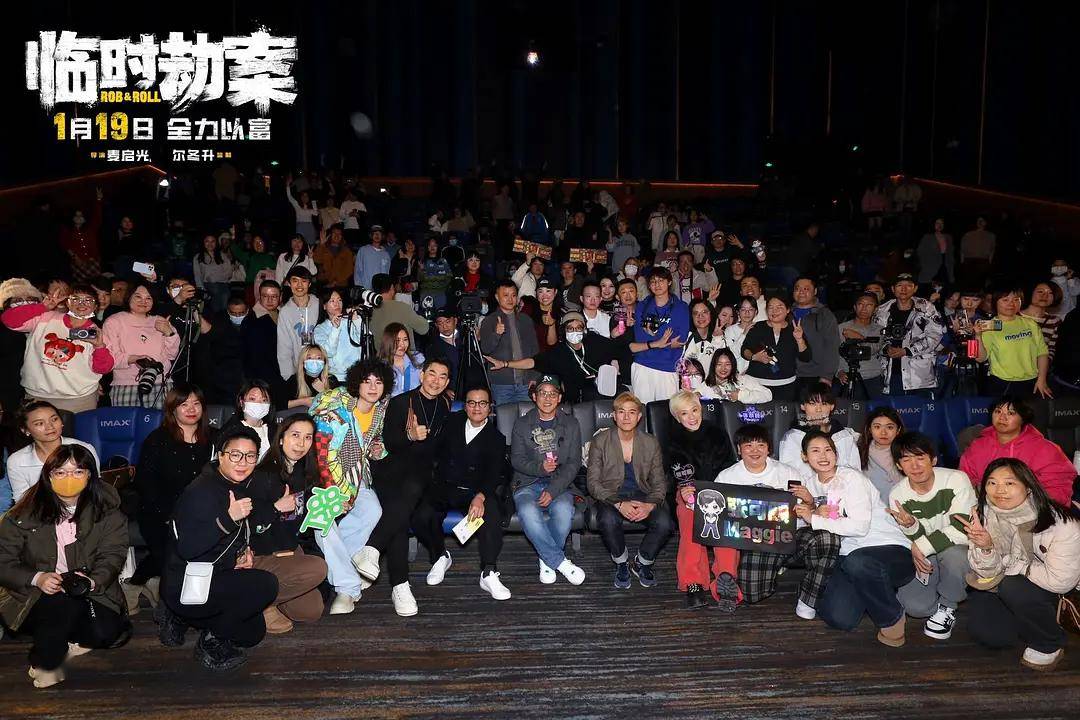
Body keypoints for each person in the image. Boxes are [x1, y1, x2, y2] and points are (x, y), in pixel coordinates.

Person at [0, 445, 130, 689]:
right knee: (60, 607)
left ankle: (62, 642)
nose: (69, 478)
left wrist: (93, 580)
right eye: (60, 472)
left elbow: (113, 554)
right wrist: (37, 578)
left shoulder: (107, 510)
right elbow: (3, 560)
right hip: (33, 590)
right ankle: (46, 661)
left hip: (88, 586)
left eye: (78, 471)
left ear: (90, 474)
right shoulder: (23, 513)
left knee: (108, 632)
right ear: (48, 475)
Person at [160, 426, 278, 670]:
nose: (242, 462)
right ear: (220, 456)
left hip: (215, 575)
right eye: (235, 454)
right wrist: (228, 519)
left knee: (252, 634)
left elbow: (233, 536)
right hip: (186, 583)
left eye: (250, 456)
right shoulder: (201, 492)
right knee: (266, 585)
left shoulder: (236, 484)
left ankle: (182, 618)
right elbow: (189, 549)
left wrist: (243, 553)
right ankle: (209, 641)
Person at [351, 358, 453, 617]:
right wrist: (410, 435)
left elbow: (440, 449)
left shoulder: (444, 405)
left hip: (422, 476)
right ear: (421, 375)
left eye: (442, 376)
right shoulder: (400, 402)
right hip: (392, 470)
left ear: (447, 382)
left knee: (403, 502)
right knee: (401, 503)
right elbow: (390, 442)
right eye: (431, 373)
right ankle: (400, 585)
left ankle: (374, 553)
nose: (436, 380)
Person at [961, 458, 1080, 671]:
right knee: (992, 636)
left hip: (1051, 588)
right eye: (992, 482)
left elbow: (1061, 581)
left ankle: (1049, 642)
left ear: (1028, 487)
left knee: (1013, 586)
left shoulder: (1061, 524)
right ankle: (1029, 618)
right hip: (1002, 581)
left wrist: (1013, 564)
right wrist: (986, 547)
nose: (1000, 490)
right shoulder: (983, 515)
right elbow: (985, 572)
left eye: (1009, 483)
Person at [810, 432, 921, 647]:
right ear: (805, 457)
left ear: (836, 454)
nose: (823, 456)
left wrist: (814, 518)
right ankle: (876, 588)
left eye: (828, 450)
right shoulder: (809, 486)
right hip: (849, 556)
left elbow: (859, 528)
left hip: (889, 548)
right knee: (838, 618)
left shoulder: (852, 478)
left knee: (859, 562)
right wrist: (810, 510)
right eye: (815, 450)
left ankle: (892, 618)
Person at [309, 358, 392, 615]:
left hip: (358, 477)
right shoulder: (335, 408)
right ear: (356, 383)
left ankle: (342, 564)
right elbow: (321, 453)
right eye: (367, 381)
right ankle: (347, 588)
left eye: (378, 382)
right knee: (323, 523)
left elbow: (375, 442)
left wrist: (379, 450)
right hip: (324, 477)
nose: (373, 387)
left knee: (373, 511)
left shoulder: (381, 409)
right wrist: (334, 490)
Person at [717, 426, 825, 618]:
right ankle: (772, 571)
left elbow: (810, 513)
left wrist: (809, 501)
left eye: (761, 445)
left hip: (790, 536)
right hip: (755, 543)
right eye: (748, 445)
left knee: (826, 538)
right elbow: (716, 513)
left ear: (769, 448)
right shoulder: (726, 477)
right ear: (739, 449)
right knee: (751, 594)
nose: (755, 450)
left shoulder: (788, 473)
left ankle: (809, 595)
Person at [412, 386, 510, 599]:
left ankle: (489, 571)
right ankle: (440, 556)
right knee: (420, 515)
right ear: (465, 406)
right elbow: (432, 451)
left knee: (492, 515)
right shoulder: (451, 422)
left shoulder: (496, 438)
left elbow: (495, 474)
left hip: (475, 491)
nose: (477, 408)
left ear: (490, 408)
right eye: (472, 403)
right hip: (445, 485)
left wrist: (481, 496)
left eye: (482, 403)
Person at [127, 384, 212, 619]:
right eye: (184, 404)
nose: (191, 409)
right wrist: (168, 514)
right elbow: (146, 484)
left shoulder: (213, 438)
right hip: (160, 510)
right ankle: (138, 583)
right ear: (172, 409)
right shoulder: (157, 440)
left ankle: (153, 582)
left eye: (196, 403)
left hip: (202, 512)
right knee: (172, 550)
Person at [886, 432, 976, 641]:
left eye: (920, 458)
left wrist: (921, 546)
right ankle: (949, 588)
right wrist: (911, 526)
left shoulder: (956, 479)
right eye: (906, 460)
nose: (914, 466)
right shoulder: (897, 495)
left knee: (954, 555)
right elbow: (914, 539)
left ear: (933, 459)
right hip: (928, 554)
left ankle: (947, 606)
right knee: (916, 607)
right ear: (899, 465)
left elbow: (962, 528)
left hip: (956, 547)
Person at [244, 415, 328, 634]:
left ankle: (271, 593)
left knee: (311, 611)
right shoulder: (262, 475)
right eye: (295, 435)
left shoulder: (304, 473)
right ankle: (262, 603)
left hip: (290, 551)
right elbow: (249, 526)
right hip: (261, 556)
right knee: (319, 567)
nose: (301, 443)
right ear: (281, 438)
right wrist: (275, 508)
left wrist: (332, 508)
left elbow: (306, 519)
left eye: (307, 437)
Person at [587, 392, 672, 589]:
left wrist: (650, 505)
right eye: (621, 412)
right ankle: (621, 562)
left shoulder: (650, 442)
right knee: (608, 520)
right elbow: (593, 482)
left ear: (639, 417)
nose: (626, 417)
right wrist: (618, 504)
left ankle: (642, 561)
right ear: (614, 416)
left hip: (643, 493)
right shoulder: (600, 441)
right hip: (611, 495)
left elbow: (659, 482)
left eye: (632, 412)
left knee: (665, 523)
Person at [509, 374, 586, 585]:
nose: (547, 398)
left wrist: (553, 490)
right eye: (542, 393)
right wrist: (540, 468)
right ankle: (560, 562)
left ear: (559, 398)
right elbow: (516, 460)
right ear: (534, 397)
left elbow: (574, 463)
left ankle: (546, 560)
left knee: (564, 511)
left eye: (553, 394)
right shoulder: (522, 424)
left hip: (560, 483)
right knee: (528, 511)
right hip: (527, 482)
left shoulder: (571, 424)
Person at [665, 391, 737, 609]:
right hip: (688, 490)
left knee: (726, 525)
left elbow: (730, 466)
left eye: (694, 410)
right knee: (691, 522)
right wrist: (686, 491)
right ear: (677, 417)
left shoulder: (718, 433)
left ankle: (726, 580)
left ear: (701, 410)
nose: (691, 417)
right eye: (684, 413)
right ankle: (693, 582)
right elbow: (675, 474)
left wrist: (720, 490)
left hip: (720, 487)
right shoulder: (672, 440)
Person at [2, 283, 113, 413]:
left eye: (88, 300)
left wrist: (99, 347)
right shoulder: (45, 318)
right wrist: (42, 307)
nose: (81, 303)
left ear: (95, 306)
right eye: (76, 299)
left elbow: (103, 368)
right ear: (67, 303)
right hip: (37, 395)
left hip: (79, 399)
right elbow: (8, 320)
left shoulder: (98, 333)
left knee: (78, 427)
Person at [959, 397, 1076, 506]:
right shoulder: (978, 445)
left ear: (1023, 419)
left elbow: (1058, 488)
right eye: (998, 411)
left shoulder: (1044, 449)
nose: (1002, 417)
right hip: (986, 507)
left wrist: (1026, 505)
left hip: (1033, 509)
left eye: (1010, 413)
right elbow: (965, 478)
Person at [489, 312, 622, 404]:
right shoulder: (558, 352)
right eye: (570, 328)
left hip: (600, 395)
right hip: (575, 402)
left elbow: (617, 349)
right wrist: (505, 364)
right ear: (564, 331)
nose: (575, 331)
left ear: (584, 330)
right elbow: (532, 362)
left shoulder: (595, 341)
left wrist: (615, 360)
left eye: (578, 328)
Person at [102, 282, 181, 409]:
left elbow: (172, 355)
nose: (143, 301)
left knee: (161, 422)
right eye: (138, 296)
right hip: (126, 385)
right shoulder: (114, 321)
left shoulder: (160, 321)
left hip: (160, 384)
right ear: (129, 297)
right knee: (126, 422)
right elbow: (109, 358)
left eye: (148, 298)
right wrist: (133, 359)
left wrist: (169, 333)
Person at [6, 401, 99, 504]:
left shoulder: (84, 449)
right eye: (39, 423)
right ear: (25, 430)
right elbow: (22, 501)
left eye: (54, 419)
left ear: (62, 422)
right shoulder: (16, 461)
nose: (50, 426)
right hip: (40, 511)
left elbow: (95, 488)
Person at [872, 273, 945, 397]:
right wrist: (885, 348)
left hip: (919, 374)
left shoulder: (926, 307)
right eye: (900, 285)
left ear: (915, 288)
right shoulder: (882, 310)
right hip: (890, 371)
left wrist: (907, 351)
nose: (904, 289)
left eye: (909, 285)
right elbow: (876, 335)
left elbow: (935, 335)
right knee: (894, 407)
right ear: (893, 289)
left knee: (921, 407)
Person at [973, 286, 1052, 398]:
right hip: (1003, 383)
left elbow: (1042, 353)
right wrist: (977, 335)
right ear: (995, 303)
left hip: (1032, 382)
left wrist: (1042, 379)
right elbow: (980, 358)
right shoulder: (989, 326)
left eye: (1016, 299)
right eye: (1005, 300)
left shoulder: (1030, 324)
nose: (1011, 304)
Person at [629, 268, 690, 403]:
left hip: (668, 366)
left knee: (667, 410)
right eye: (653, 281)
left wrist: (654, 341)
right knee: (642, 408)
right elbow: (640, 337)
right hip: (643, 365)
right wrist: (660, 342)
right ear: (649, 285)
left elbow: (681, 339)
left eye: (661, 280)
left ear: (669, 282)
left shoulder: (681, 307)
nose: (657, 284)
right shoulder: (642, 306)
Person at [778, 383, 861, 479]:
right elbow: (788, 474)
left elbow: (855, 472)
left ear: (832, 406)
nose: (818, 409)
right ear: (803, 406)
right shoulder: (793, 437)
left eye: (824, 404)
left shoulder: (844, 436)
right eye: (812, 404)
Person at [480, 280, 539, 405]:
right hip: (501, 384)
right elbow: (485, 349)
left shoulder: (526, 320)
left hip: (526, 383)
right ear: (497, 297)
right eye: (505, 295)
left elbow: (535, 350)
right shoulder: (489, 320)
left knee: (527, 416)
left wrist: (535, 376)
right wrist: (497, 334)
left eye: (513, 295)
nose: (510, 299)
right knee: (504, 417)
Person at [741, 295, 810, 402]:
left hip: (786, 386)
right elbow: (744, 350)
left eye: (779, 307)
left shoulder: (795, 330)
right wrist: (754, 357)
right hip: (757, 385)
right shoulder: (758, 327)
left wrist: (800, 339)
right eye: (771, 307)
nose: (774, 311)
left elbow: (806, 357)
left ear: (788, 310)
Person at [791, 277, 841, 392]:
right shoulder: (786, 312)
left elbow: (832, 346)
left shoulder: (825, 315)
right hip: (788, 375)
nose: (801, 292)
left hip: (815, 375)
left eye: (806, 289)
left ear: (815, 291)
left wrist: (827, 376)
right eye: (797, 289)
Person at [277, 266, 321, 383]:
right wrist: (288, 378)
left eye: (304, 281)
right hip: (298, 372)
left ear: (309, 284)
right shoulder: (285, 312)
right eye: (295, 281)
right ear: (289, 283)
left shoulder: (320, 305)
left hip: (322, 368)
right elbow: (284, 348)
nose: (299, 285)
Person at [837, 293, 885, 397]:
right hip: (847, 375)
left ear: (875, 309)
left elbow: (873, 349)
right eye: (860, 304)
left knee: (875, 406)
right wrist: (839, 371)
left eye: (869, 305)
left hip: (872, 377)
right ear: (855, 307)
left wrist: (859, 337)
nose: (864, 308)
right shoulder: (841, 328)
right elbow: (834, 353)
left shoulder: (879, 329)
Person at [857, 407, 906, 503]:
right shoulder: (860, 450)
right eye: (877, 427)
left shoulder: (908, 452)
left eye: (890, 427)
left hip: (903, 503)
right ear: (870, 429)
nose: (883, 432)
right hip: (871, 506)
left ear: (898, 430)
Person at [218, 380, 275, 463]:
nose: (259, 403)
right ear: (241, 402)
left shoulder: (275, 430)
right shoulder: (230, 431)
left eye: (264, 400)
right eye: (252, 399)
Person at [699, 348, 772, 403]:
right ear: (713, 366)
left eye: (727, 364)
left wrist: (740, 395)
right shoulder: (706, 385)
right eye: (719, 364)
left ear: (733, 365)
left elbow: (767, 395)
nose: (723, 368)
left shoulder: (744, 380)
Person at [379, 322, 425, 397]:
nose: (402, 344)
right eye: (397, 341)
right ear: (388, 342)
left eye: (405, 339)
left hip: (415, 401)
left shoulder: (418, 358)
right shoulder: (382, 366)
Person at [193, 234, 235, 314]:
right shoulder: (198, 257)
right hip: (208, 285)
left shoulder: (222, 255)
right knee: (216, 293)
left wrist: (215, 278)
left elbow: (229, 272)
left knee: (225, 296)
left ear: (216, 243)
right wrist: (201, 290)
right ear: (203, 243)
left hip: (223, 284)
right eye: (207, 241)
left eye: (212, 241)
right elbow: (197, 275)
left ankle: (222, 317)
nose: (210, 244)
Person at [1022, 280, 1063, 360]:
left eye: (1050, 293)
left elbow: (1052, 349)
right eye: (1040, 291)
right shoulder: (1012, 316)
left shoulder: (1055, 321)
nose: (1045, 295)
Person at [682, 299, 725, 373]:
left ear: (711, 314)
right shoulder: (685, 337)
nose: (700, 316)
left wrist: (717, 339)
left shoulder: (719, 336)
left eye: (704, 312)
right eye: (695, 313)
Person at [286, 344, 330, 409]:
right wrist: (303, 401)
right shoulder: (295, 380)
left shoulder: (331, 379)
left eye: (319, 358)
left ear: (324, 361)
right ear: (303, 361)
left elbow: (340, 406)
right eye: (309, 358)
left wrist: (323, 391)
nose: (314, 361)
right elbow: (279, 404)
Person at [723, 296, 759, 374]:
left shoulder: (760, 329)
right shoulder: (730, 330)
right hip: (734, 373)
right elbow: (733, 354)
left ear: (756, 312)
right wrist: (744, 333)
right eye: (743, 309)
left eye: (751, 309)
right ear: (738, 312)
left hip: (753, 373)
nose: (747, 313)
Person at [917, 218, 956, 284]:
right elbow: (920, 252)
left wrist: (952, 263)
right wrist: (925, 264)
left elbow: (951, 253)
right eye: (937, 223)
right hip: (931, 267)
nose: (940, 225)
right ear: (933, 225)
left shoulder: (948, 237)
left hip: (946, 266)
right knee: (930, 287)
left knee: (945, 286)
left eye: (942, 223)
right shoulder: (927, 237)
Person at [959, 216, 996, 286]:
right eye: (978, 221)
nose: (980, 222)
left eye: (982, 221)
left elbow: (992, 250)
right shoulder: (968, 234)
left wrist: (989, 263)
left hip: (983, 261)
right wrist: (962, 263)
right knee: (969, 284)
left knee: (980, 284)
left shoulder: (991, 235)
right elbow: (962, 250)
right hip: (969, 261)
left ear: (986, 223)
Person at [285, 176, 319, 246]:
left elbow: (316, 213)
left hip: (310, 227)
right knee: (300, 244)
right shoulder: (297, 206)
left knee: (311, 245)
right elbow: (289, 197)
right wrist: (288, 185)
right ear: (301, 197)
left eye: (306, 196)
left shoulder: (311, 208)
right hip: (300, 227)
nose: (305, 197)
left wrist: (314, 202)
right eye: (303, 196)